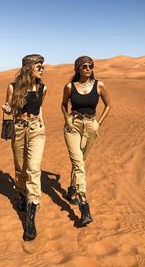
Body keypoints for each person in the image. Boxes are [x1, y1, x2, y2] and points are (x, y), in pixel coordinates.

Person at [61, 55, 111, 225]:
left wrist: (99, 123)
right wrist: (66, 119)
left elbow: (108, 105)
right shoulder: (69, 86)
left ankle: (71, 188)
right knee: (78, 163)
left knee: (80, 160)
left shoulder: (99, 85)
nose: (88, 68)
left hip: (91, 126)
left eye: (90, 66)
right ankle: (83, 205)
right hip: (73, 126)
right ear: (78, 69)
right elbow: (63, 104)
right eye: (84, 66)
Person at [1, 54, 47, 240]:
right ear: (29, 68)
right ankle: (21, 192)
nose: (43, 70)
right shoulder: (13, 87)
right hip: (19, 129)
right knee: (20, 168)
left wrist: (43, 126)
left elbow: (40, 108)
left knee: (33, 169)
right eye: (39, 66)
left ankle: (31, 217)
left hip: (37, 130)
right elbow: (11, 110)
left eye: (43, 66)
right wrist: (7, 111)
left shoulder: (43, 87)